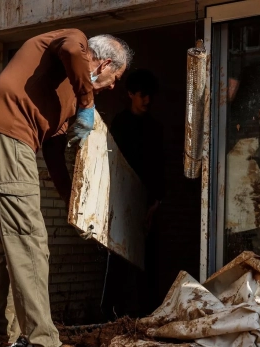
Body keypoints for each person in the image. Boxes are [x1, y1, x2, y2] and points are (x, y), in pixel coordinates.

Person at [0, 29, 132, 347]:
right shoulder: (74, 40)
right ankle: (43, 341)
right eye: (115, 77)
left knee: (10, 245)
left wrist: (75, 206)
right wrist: (87, 102)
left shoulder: (66, 102)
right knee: (31, 245)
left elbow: (55, 156)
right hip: (8, 136)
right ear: (104, 63)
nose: (112, 86)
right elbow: (71, 49)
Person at [101, 69, 165, 318]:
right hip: (122, 202)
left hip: (148, 203)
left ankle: (147, 314)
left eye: (150, 96)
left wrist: (155, 203)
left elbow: (159, 168)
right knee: (118, 257)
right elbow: (113, 165)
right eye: (142, 95)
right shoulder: (120, 124)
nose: (147, 100)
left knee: (148, 260)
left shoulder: (155, 128)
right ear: (130, 94)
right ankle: (110, 315)